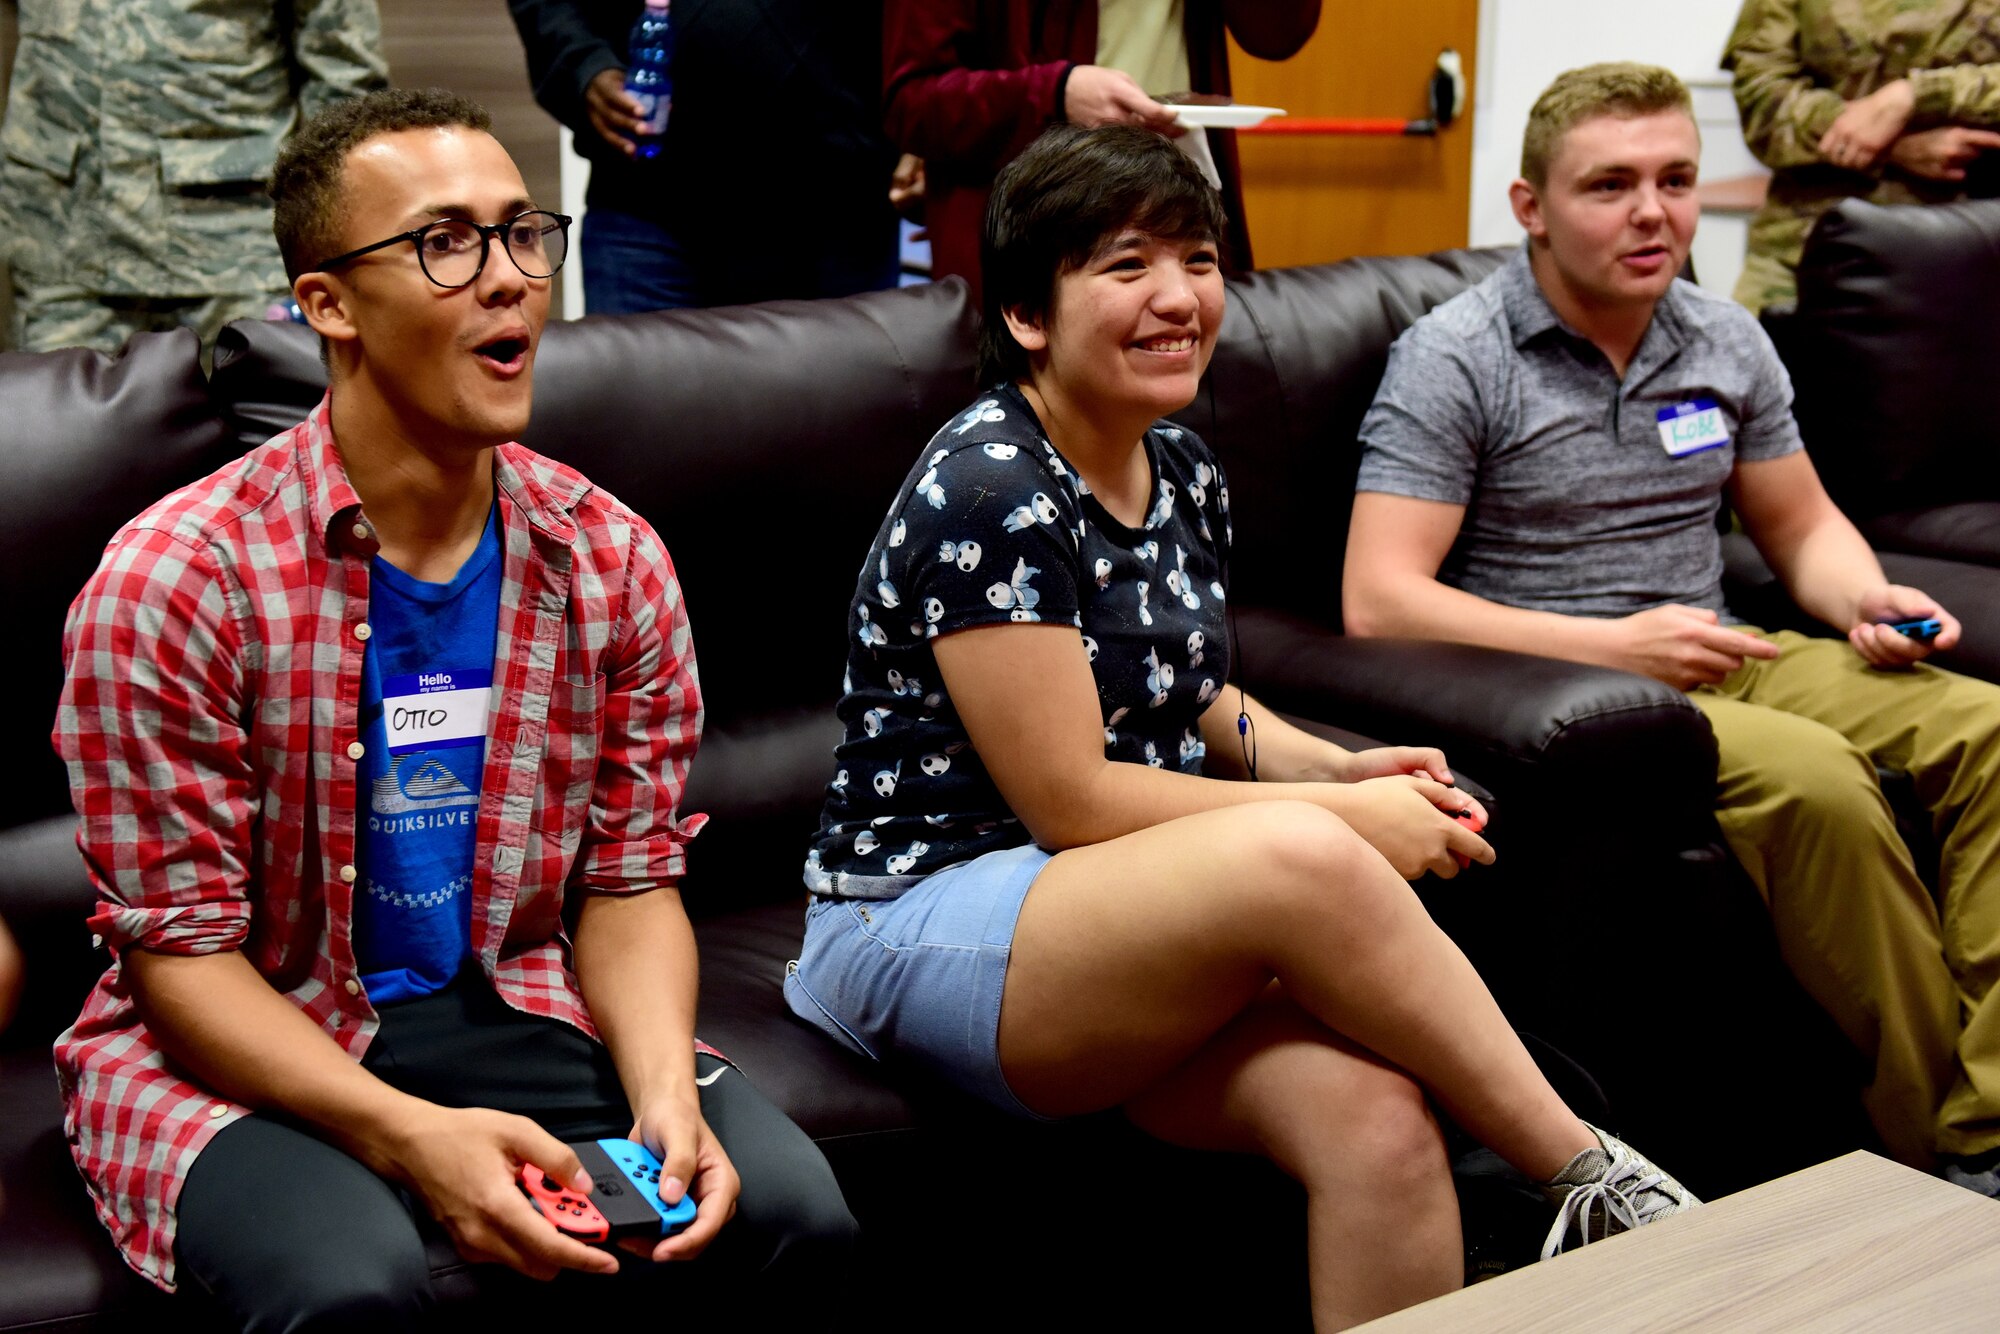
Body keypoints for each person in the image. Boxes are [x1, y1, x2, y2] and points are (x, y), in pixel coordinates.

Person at [784, 121, 1697, 1332]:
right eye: (1125, 265)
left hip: (1107, 915)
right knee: (1308, 851)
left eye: (1198, 259)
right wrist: (1339, 811)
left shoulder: (1182, 466)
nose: (1177, 297)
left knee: (1377, 1120)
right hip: (916, 920)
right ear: (1025, 316)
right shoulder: (991, 483)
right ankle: (1582, 1172)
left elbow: (1189, 695)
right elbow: (1073, 798)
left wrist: (1338, 760)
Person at [51, 88, 856, 1328]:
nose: (507, 278)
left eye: (520, 232)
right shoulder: (175, 579)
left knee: (792, 1214)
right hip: (257, 1033)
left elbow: (629, 879)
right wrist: (409, 1135)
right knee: (348, 1286)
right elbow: (182, 956)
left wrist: (663, 1099)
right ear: (327, 303)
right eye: (445, 242)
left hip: (516, 995)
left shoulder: (607, 555)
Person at [1343, 61, 2000, 1198]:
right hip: (1592, 696)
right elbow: (1379, 597)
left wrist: (1861, 598)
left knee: (1989, 728)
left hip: (1736, 653)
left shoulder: (1721, 336)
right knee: (1822, 786)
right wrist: (1614, 648)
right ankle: (1947, 1147)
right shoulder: (1455, 356)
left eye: (1674, 180)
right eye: (1608, 185)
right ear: (1529, 207)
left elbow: (1800, 529)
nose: (1651, 213)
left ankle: (1986, 1119)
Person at [0, 0, 388, 355]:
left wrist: (326, 239)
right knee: (60, 425)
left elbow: (344, 82)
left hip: (233, 249)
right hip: (64, 239)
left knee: (258, 423)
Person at [881, 0, 1320, 302]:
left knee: (1183, 423)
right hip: (1039, 240)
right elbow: (912, 101)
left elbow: (1280, 35)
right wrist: (1055, 93)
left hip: (1180, 208)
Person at [507, 0, 901, 312]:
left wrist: (919, 122)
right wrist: (583, 64)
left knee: (837, 412)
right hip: (647, 215)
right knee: (639, 410)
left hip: (841, 212)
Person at [1723, 0, 2000, 314]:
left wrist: (1919, 95)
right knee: (1741, 351)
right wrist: (1893, 148)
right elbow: (1760, 99)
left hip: (1973, 242)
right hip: (1806, 243)